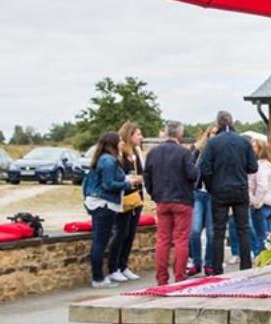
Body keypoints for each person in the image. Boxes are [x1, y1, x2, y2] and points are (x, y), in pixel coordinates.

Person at [200, 111, 258, 273]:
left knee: (219, 231)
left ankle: (217, 269)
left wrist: (211, 186)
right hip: (239, 188)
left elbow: (204, 168)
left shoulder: (212, 143)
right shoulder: (243, 142)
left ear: (217, 124)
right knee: (243, 229)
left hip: (219, 189)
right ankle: (246, 267)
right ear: (232, 122)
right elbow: (253, 167)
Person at [141, 120, 198, 286]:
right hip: (182, 199)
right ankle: (180, 276)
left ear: (166, 132)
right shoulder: (184, 153)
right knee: (181, 239)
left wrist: (154, 194)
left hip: (162, 200)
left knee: (163, 239)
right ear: (179, 134)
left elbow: (147, 176)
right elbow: (192, 174)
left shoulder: (153, 153)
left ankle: (161, 278)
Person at [82, 132, 137, 288]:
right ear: (113, 143)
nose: (121, 143)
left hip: (99, 203)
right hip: (104, 204)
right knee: (100, 241)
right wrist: (128, 184)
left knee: (100, 240)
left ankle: (99, 276)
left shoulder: (104, 159)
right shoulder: (109, 160)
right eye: (119, 141)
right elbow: (109, 184)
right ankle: (98, 278)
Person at [107, 122, 145, 283]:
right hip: (124, 197)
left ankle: (124, 265)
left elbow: (142, 172)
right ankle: (113, 267)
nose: (140, 137)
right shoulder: (120, 154)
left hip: (136, 196)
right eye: (138, 134)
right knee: (121, 232)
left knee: (130, 233)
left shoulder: (137, 151)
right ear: (129, 136)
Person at [186, 126, 216, 277]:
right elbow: (190, 169)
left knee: (211, 232)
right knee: (195, 230)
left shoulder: (220, 152)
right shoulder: (198, 150)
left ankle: (209, 263)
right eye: (212, 133)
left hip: (212, 194)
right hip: (198, 193)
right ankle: (196, 262)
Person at [248, 139, 271, 254]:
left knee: (262, 237)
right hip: (269, 204)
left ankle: (261, 262)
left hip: (262, 204)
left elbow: (262, 186)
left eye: (254, 147)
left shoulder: (260, 165)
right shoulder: (268, 165)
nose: (251, 149)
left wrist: (256, 202)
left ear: (260, 150)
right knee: (268, 237)